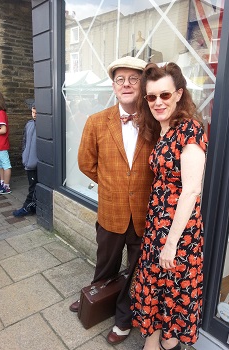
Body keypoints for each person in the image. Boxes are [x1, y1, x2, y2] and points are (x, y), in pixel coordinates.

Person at [70, 56, 156, 345]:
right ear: (114, 86)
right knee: (104, 262)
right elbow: (85, 163)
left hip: (145, 214)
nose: (127, 84)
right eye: (121, 79)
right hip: (110, 209)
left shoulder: (156, 121)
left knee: (134, 271)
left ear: (143, 85)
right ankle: (94, 298)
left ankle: (123, 318)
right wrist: (111, 184)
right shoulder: (96, 121)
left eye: (134, 78)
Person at [131, 62, 208, 350]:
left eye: (164, 95)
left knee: (173, 296)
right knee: (155, 293)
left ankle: (168, 345)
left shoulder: (189, 130)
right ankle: (152, 343)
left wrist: (171, 244)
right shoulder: (162, 131)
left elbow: (191, 190)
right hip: (157, 228)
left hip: (179, 234)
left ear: (178, 94)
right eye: (151, 97)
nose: (158, 102)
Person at [13, 106, 38, 217]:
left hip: (35, 164)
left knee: (33, 187)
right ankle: (32, 207)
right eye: (32, 112)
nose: (34, 115)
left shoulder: (44, 126)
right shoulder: (29, 124)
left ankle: (27, 207)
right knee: (32, 186)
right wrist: (24, 155)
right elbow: (25, 141)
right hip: (27, 162)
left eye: (36, 112)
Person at [0, 91, 12, 194]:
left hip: (1, 144)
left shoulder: (0, 112)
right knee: (0, 164)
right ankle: (2, 184)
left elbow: (3, 130)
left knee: (6, 165)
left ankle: (6, 187)